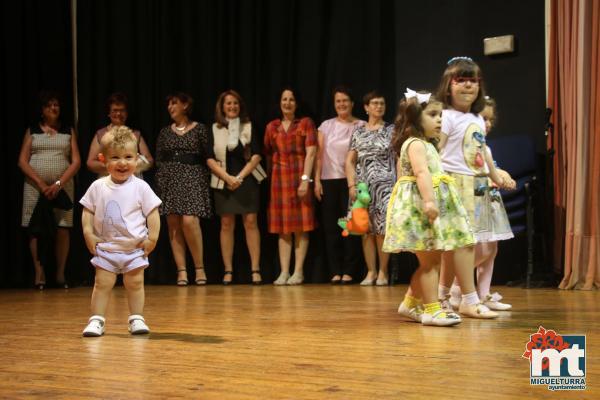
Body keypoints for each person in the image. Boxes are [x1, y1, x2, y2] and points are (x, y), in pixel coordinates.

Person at [383, 89, 475, 326]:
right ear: (416, 117)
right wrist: (430, 202)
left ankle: (411, 304)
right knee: (429, 263)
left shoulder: (428, 144)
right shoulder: (415, 144)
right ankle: (432, 309)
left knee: (432, 260)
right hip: (420, 210)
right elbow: (421, 173)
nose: (439, 120)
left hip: (426, 210)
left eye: (441, 116)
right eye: (433, 115)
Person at [435, 57, 515, 318]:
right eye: (461, 80)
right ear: (448, 85)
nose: (468, 85)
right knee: (458, 245)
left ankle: (448, 296)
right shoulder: (446, 117)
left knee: (465, 244)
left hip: (476, 186)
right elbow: (436, 151)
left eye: (473, 81)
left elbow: (481, 152)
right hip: (454, 183)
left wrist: (494, 174)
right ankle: (458, 297)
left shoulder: (477, 119)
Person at [80, 126, 161, 337]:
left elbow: (152, 213)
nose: (122, 162)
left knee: (135, 283)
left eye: (128, 157)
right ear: (103, 159)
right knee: (102, 283)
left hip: (133, 249)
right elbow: (87, 211)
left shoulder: (141, 187)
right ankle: (96, 320)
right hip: (107, 248)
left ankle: (136, 318)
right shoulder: (98, 186)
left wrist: (152, 237)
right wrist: (89, 233)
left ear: (137, 159)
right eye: (115, 157)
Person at [448, 96, 514, 310]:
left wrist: (504, 176)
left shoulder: (485, 148)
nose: (487, 124)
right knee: (477, 249)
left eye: (490, 120)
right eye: (483, 118)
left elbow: (491, 168)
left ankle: (484, 294)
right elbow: (474, 172)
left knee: (491, 249)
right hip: (473, 203)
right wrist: (494, 177)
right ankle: (458, 286)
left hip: (489, 204)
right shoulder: (466, 147)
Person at [18, 91, 81, 289]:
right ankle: (40, 275)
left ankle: (60, 274)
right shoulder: (32, 130)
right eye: (50, 105)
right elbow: (22, 160)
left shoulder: (68, 130)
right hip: (35, 188)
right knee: (36, 230)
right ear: (43, 110)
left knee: (63, 228)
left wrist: (57, 184)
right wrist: (41, 183)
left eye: (57, 105)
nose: (54, 108)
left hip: (62, 187)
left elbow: (76, 161)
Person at [207, 90, 265, 285]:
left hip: (246, 178)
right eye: (228, 104)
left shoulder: (248, 126)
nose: (232, 107)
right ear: (222, 107)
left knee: (250, 222)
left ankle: (255, 269)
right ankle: (228, 270)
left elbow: (257, 155)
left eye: (235, 104)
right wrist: (226, 177)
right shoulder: (215, 128)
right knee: (226, 224)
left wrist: (239, 177)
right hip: (223, 180)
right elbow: (209, 158)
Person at [155, 92, 213, 285]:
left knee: (189, 221)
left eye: (174, 103)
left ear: (185, 105)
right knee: (173, 223)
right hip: (170, 179)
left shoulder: (199, 129)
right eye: (169, 104)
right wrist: (162, 181)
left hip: (193, 177)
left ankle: (199, 268)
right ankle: (182, 271)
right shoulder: (165, 132)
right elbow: (159, 159)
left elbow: (207, 155)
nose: (170, 107)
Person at [263, 88, 317, 285]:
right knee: (283, 228)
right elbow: (268, 153)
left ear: (296, 103)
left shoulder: (305, 123)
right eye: (284, 99)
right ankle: (284, 271)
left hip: (299, 177)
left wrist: (305, 179)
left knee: (300, 228)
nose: (287, 103)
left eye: (291, 99)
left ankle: (299, 271)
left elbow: (311, 153)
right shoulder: (272, 127)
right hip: (279, 180)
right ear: (279, 103)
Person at [314, 86, 365, 284]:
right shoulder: (325, 126)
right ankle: (335, 269)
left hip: (352, 181)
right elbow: (318, 157)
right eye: (338, 101)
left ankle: (350, 269)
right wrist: (316, 181)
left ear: (352, 103)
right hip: (329, 180)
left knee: (352, 226)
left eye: (345, 100)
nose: (342, 104)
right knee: (331, 227)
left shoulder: (361, 125)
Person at [345, 91, 396, 286]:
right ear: (366, 108)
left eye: (382, 103)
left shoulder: (391, 130)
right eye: (374, 103)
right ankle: (371, 271)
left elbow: (399, 158)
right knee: (365, 229)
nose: (379, 107)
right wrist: (351, 184)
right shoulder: (358, 132)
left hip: (386, 187)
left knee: (382, 230)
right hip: (363, 187)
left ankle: (383, 272)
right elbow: (349, 161)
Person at [86, 92, 153, 177]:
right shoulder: (101, 134)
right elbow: (90, 163)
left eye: (122, 110)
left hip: (132, 182)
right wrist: (114, 168)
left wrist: (131, 166)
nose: (118, 114)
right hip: (108, 183)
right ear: (109, 113)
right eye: (115, 110)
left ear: (127, 113)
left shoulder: (135, 134)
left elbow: (149, 160)